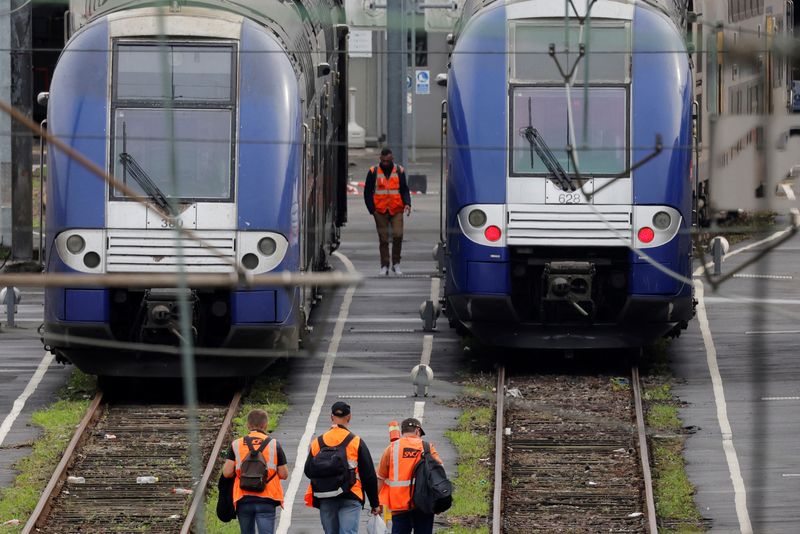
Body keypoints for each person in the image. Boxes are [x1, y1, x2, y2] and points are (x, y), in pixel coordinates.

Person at [304, 401, 382, 534]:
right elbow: (368, 475)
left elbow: (308, 470)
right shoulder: (355, 441)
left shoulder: (317, 442)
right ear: (349, 417)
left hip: (325, 495)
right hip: (350, 494)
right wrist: (374, 503)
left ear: (331, 417)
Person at [222, 409, 289, 534]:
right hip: (267, 497)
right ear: (265, 425)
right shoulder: (274, 445)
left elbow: (227, 472)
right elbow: (284, 474)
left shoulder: (236, 444)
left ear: (248, 425)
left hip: (243, 497)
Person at [377, 418, 443, 534]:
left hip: (399, 506)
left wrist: (376, 503)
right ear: (417, 430)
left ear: (403, 432)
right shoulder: (427, 447)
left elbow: (380, 478)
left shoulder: (391, 449)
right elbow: (439, 475)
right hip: (424, 505)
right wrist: (439, 503)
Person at [364, 148, 412, 276]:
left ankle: (396, 264)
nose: (385, 163)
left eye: (388, 161)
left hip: (397, 209)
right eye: (383, 161)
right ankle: (384, 265)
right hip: (380, 210)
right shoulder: (373, 171)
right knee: (383, 239)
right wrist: (372, 210)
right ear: (380, 159)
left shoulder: (399, 171)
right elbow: (367, 192)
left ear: (392, 159)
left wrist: (407, 203)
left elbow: (404, 189)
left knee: (398, 235)